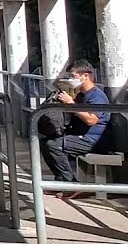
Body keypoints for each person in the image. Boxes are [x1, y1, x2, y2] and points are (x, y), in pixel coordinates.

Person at [38, 59, 111, 198]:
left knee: (54, 145)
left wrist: (71, 104)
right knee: (45, 142)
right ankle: (61, 181)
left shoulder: (97, 96)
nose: (71, 79)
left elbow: (91, 120)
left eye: (73, 76)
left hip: (91, 139)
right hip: (78, 134)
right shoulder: (80, 94)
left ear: (85, 76)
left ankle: (72, 184)